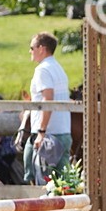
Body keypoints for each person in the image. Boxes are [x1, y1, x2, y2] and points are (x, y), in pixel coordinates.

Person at [25, 32, 73, 183]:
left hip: (49, 136)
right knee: (64, 186)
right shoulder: (59, 68)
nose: (30, 51)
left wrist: (42, 131)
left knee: (43, 185)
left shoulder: (42, 70)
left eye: (32, 47)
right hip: (64, 132)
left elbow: (48, 99)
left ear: (42, 49)